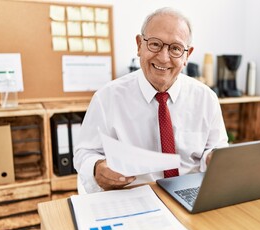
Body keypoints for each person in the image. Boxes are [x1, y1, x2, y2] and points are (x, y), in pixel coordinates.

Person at [74, 7, 228, 193]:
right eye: (155, 44)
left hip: (190, 194)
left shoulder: (206, 98)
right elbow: (85, 153)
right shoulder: (106, 97)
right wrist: (97, 168)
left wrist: (213, 158)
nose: (164, 58)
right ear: (140, 45)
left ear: (187, 55)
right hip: (131, 196)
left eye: (176, 49)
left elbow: (215, 149)